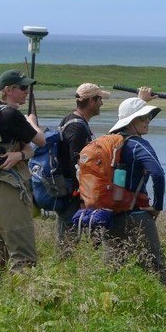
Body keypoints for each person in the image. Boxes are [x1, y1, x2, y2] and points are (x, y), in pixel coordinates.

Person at [103, 86, 166, 286]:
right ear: (131, 121)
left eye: (149, 117)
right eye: (143, 118)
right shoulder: (138, 144)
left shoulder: (110, 143)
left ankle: (108, 310)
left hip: (111, 214)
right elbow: (158, 174)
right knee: (155, 268)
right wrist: (157, 207)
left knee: (113, 270)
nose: (148, 121)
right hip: (137, 215)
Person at [0, 69, 45, 280]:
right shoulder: (11, 114)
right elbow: (41, 141)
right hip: (9, 189)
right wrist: (32, 122)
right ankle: (24, 306)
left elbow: (28, 150)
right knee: (24, 258)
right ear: (9, 90)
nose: (26, 92)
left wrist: (20, 154)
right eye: (23, 88)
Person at [55, 83, 109, 256]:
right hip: (73, 194)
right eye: (100, 99)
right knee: (69, 242)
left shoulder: (71, 120)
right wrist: (84, 197)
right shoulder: (77, 128)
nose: (102, 103)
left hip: (70, 190)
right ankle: (64, 274)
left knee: (70, 239)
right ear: (92, 101)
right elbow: (77, 166)